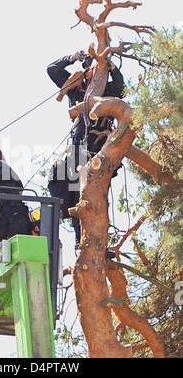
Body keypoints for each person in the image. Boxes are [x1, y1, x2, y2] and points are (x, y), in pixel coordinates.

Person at [47, 50, 125, 252]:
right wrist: (73, 57)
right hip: (79, 149)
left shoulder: (108, 91)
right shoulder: (76, 88)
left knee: (97, 199)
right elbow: (52, 69)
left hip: (101, 151)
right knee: (78, 198)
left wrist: (111, 66)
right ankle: (80, 243)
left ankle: (100, 245)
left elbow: (121, 87)